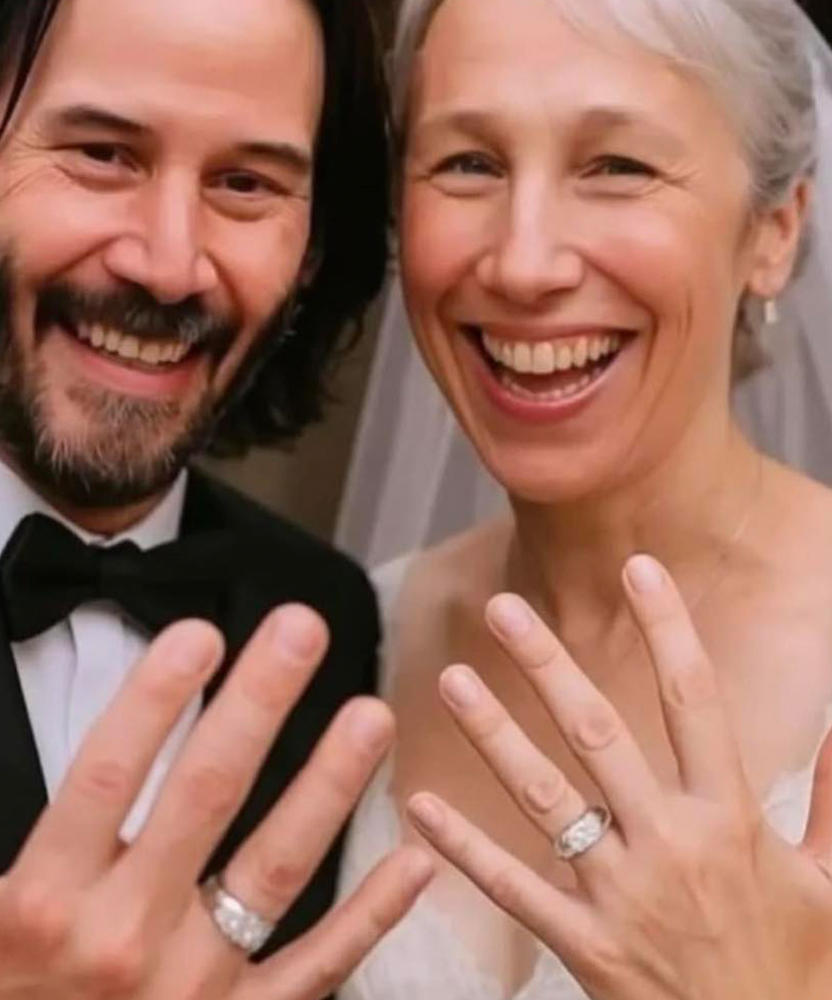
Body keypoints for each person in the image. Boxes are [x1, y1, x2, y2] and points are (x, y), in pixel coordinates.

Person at [0, 0, 435, 997]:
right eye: (102, 154)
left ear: (312, 248)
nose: (164, 263)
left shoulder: (323, 615)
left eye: (245, 184)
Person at [334, 0, 832, 997]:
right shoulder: (362, 628)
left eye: (617, 168)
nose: (521, 263)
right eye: (466, 163)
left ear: (772, 231)